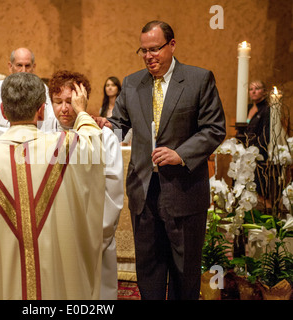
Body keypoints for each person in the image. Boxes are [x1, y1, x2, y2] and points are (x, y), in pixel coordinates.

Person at [95, 20, 226, 299]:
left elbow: (214, 129)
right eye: (143, 51)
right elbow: (120, 125)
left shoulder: (198, 79)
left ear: (172, 45)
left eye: (154, 49)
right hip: (144, 192)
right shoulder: (131, 83)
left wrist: (181, 154)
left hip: (184, 190)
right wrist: (102, 125)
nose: (149, 56)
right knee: (149, 272)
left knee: (184, 273)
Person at [0, 72, 105, 300]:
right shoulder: (65, 148)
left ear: (2, 111)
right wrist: (81, 112)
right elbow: (94, 144)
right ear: (42, 111)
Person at [45, 70, 124, 299]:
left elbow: (113, 188)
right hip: (56, 236)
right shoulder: (46, 138)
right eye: (58, 102)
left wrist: (98, 235)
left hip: (94, 233)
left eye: (71, 102)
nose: (64, 109)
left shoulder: (104, 136)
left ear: (83, 101)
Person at [0, 47, 55, 141]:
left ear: (33, 67)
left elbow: (49, 123)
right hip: (4, 146)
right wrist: (13, 140)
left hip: (34, 147)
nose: (23, 70)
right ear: (10, 66)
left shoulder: (42, 88)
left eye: (27, 66)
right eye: (19, 65)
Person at [245, 80, 270, 198]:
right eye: (251, 89)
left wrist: (256, 149)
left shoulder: (266, 109)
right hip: (245, 149)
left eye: (257, 88)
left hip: (258, 152)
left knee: (256, 185)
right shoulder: (248, 108)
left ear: (264, 92)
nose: (253, 91)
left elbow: (266, 133)